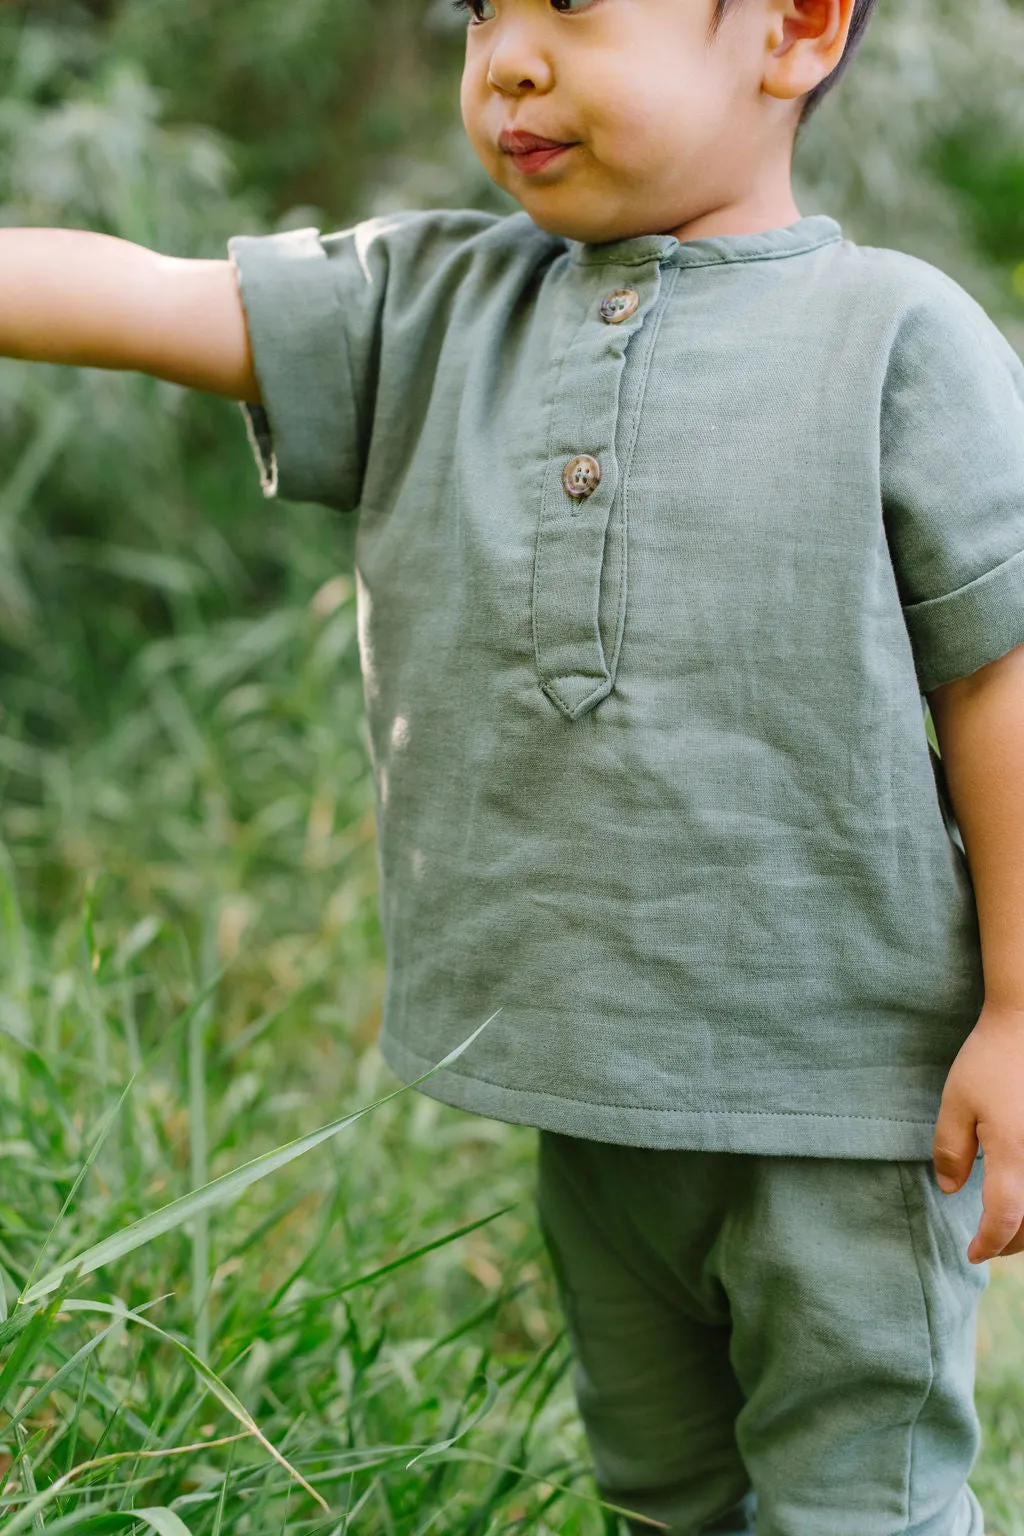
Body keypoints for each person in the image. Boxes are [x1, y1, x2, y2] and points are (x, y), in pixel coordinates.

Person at [4, 0, 1024, 1529]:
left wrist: (1018, 1006)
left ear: (797, 27)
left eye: (571, 6)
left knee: (856, 1494)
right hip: (588, 1083)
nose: (509, 61)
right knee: (662, 1485)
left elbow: (997, 676)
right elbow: (145, 293)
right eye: (482, 12)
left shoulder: (895, 333)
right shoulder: (429, 307)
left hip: (849, 1099)